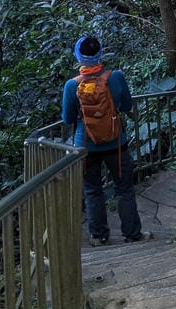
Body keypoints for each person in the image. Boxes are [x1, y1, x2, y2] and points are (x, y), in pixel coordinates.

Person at [61, 35, 149, 245]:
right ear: (100, 53)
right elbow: (126, 106)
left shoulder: (72, 86)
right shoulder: (115, 77)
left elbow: (68, 119)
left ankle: (99, 236)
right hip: (115, 143)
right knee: (124, 189)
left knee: (92, 191)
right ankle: (132, 234)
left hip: (85, 146)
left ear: (78, 56)